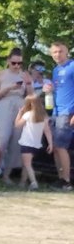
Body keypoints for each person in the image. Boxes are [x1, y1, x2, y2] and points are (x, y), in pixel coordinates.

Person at [0, 50, 32, 183]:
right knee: (2, 139)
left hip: (20, 105)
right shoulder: (0, 74)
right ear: (8, 61)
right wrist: (9, 88)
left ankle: (7, 175)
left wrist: (29, 84)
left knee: (16, 142)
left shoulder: (24, 75)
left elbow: (31, 96)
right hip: (4, 104)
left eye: (19, 63)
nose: (16, 66)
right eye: (14, 63)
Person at [14, 92, 52, 190]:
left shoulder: (27, 114)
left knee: (27, 164)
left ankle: (34, 182)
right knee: (27, 164)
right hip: (36, 144)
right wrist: (50, 144)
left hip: (26, 142)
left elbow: (17, 125)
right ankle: (22, 182)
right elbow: (47, 131)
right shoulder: (43, 116)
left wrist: (19, 113)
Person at [51, 41, 74, 190]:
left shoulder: (72, 66)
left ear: (66, 52)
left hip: (67, 112)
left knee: (61, 146)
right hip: (56, 112)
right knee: (55, 147)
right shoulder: (55, 70)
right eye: (55, 52)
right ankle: (60, 178)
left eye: (60, 51)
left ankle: (66, 180)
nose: (58, 54)